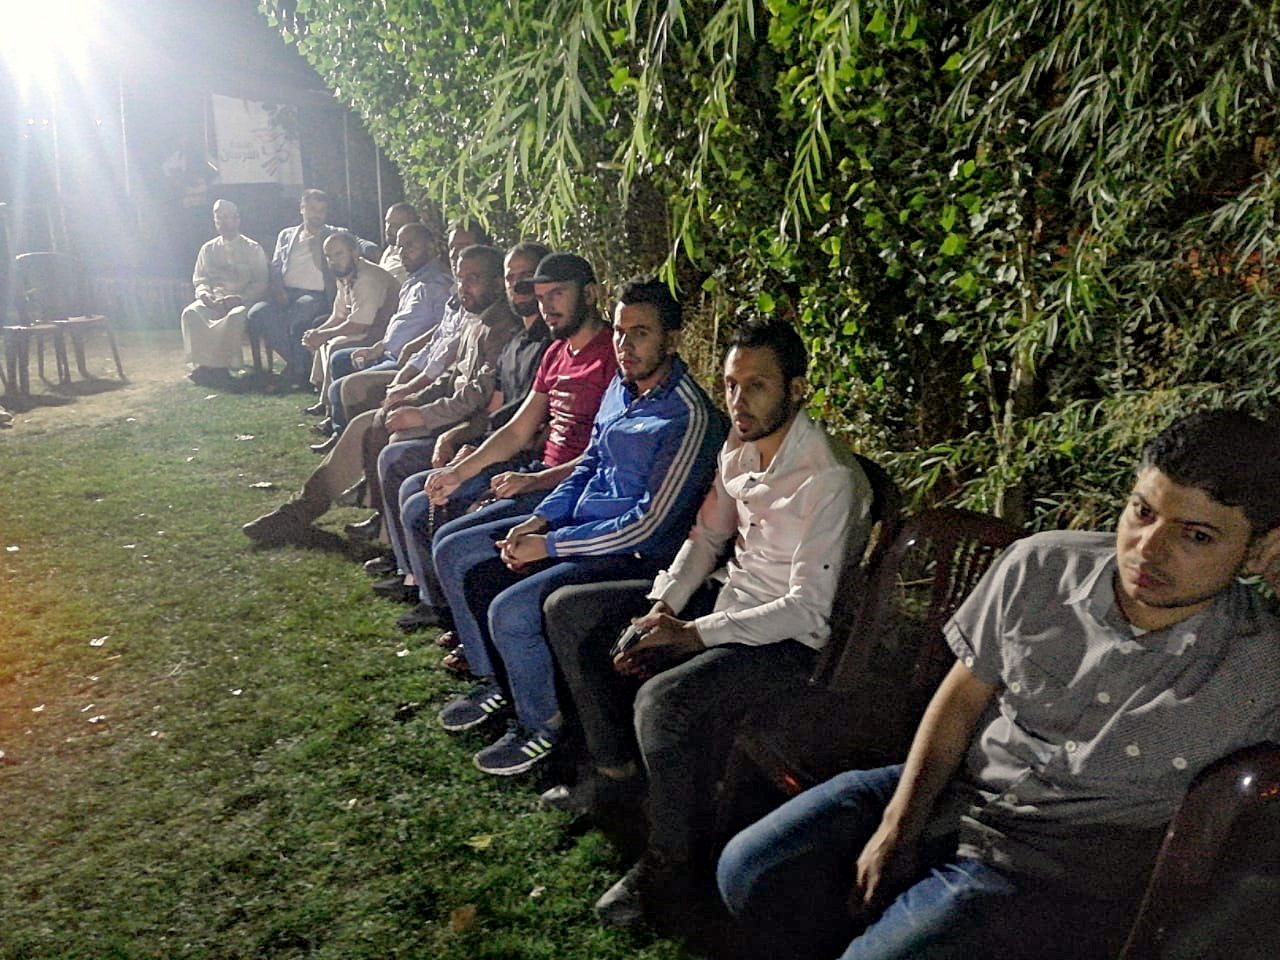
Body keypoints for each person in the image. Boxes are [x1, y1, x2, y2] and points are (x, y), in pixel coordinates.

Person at [716, 408, 1280, 960]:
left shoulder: (1260, 663)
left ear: (1257, 550)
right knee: (748, 870)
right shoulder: (1042, 566)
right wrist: (898, 825)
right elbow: (962, 700)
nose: (1148, 548)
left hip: (1055, 870)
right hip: (958, 790)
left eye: (1196, 536)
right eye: (1142, 512)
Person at [588, 317, 873, 927]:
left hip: (789, 643)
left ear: (796, 389)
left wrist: (693, 635)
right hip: (730, 603)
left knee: (663, 703)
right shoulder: (738, 446)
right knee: (600, 625)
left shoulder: (827, 478)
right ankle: (636, 790)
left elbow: (808, 608)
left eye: (757, 386)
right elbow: (707, 536)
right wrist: (664, 606)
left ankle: (673, 866)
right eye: (731, 384)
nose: (738, 401)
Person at [432, 277, 727, 777]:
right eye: (620, 332)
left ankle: (542, 729)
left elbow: (647, 526)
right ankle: (501, 685)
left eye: (641, 333)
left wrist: (549, 544)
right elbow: (589, 463)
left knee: (512, 610)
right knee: (475, 557)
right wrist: (539, 518)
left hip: (634, 557)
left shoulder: (687, 416)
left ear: (671, 339)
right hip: (584, 530)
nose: (624, 345)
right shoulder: (622, 387)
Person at [242, 244, 518, 545]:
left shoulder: (500, 327)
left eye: (474, 279)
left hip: (467, 424)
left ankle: (383, 529)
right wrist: (412, 400)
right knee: (365, 422)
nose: (463, 286)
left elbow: (477, 396)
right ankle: (303, 509)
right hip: (449, 410)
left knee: (382, 431)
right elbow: (451, 377)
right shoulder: (474, 316)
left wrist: (421, 414)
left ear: (497, 283)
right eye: (460, 278)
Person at [372, 240, 551, 622]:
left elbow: (515, 419)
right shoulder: (513, 337)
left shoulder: (539, 342)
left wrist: (461, 438)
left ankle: (435, 600)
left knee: (410, 478)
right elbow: (492, 404)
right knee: (396, 457)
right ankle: (415, 578)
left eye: (528, 278)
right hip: (490, 442)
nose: (520, 287)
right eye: (513, 278)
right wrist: (450, 429)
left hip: (521, 461)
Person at [308, 221, 453, 438]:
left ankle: (344, 436)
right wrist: (379, 347)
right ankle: (337, 425)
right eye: (400, 246)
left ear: (431, 247)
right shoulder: (413, 281)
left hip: (406, 360)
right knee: (340, 359)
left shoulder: (438, 284)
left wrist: (410, 347)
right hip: (385, 350)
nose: (403, 253)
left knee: (341, 387)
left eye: (410, 246)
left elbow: (445, 328)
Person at [246, 188, 337, 386]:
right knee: (257, 313)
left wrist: (369, 248)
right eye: (312, 209)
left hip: (315, 295)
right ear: (302, 209)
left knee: (299, 312)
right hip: (286, 292)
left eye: (322, 210)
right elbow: (276, 266)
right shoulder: (287, 235)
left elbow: (356, 242)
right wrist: (278, 288)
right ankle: (299, 365)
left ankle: (297, 369)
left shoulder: (332, 234)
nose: (317, 215)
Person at [301, 231, 400, 404]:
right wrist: (316, 333)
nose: (333, 261)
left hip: (380, 332)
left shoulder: (367, 277)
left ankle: (330, 403)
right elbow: (338, 315)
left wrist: (324, 335)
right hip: (364, 326)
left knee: (334, 345)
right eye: (329, 256)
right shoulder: (345, 275)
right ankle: (323, 396)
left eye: (339, 254)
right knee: (323, 339)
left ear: (354, 252)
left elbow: (360, 324)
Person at [181, 199, 268, 386]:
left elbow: (260, 282)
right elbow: (200, 279)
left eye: (227, 218)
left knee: (234, 316)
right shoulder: (208, 249)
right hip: (214, 299)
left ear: (237, 220)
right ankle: (203, 365)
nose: (224, 223)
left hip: (242, 300)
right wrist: (204, 294)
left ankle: (222, 367)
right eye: (219, 219)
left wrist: (240, 298)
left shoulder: (253, 248)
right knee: (191, 312)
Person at [375, 202, 419, 284]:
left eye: (394, 225)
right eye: (387, 222)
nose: (388, 229)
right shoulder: (390, 249)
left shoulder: (412, 257)